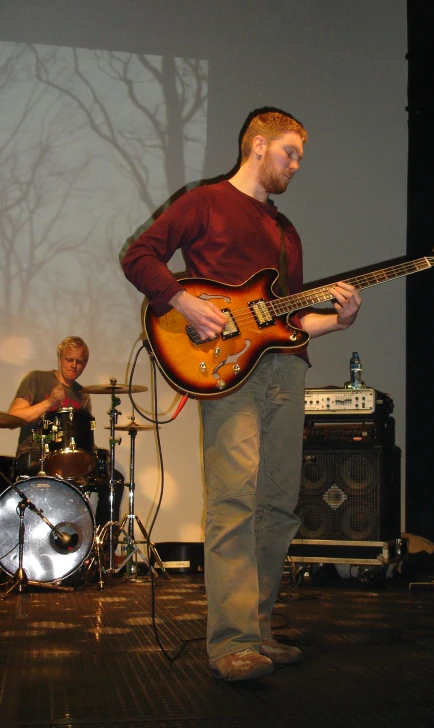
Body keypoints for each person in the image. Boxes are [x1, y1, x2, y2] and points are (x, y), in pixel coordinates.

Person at [121, 109, 362, 681]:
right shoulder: (205, 202)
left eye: (299, 157)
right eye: (290, 153)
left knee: (277, 506)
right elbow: (139, 256)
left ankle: (257, 630)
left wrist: (339, 321)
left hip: (286, 370)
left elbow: (291, 319)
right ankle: (230, 643)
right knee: (233, 502)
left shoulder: (286, 232)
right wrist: (183, 303)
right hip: (228, 371)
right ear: (257, 144)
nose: (296, 166)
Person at [7, 336, 124, 533]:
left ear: (85, 364)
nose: (74, 366)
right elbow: (12, 418)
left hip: (70, 461)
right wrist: (49, 403)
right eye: (69, 360)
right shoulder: (36, 379)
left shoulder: (83, 394)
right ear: (60, 358)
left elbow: (84, 438)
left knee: (114, 479)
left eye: (79, 362)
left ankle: (101, 548)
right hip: (34, 455)